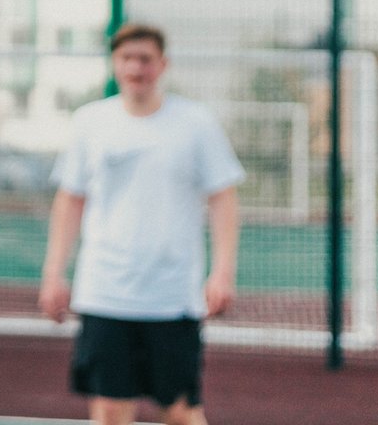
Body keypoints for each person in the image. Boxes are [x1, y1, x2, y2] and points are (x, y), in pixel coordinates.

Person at [38, 23, 243, 425]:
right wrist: (54, 273)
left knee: (181, 411)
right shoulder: (90, 122)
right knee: (110, 410)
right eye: (127, 58)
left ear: (162, 65)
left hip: (172, 296)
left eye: (145, 59)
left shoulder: (195, 122)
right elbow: (70, 201)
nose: (136, 67)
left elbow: (224, 199)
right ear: (115, 64)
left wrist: (222, 272)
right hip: (105, 292)